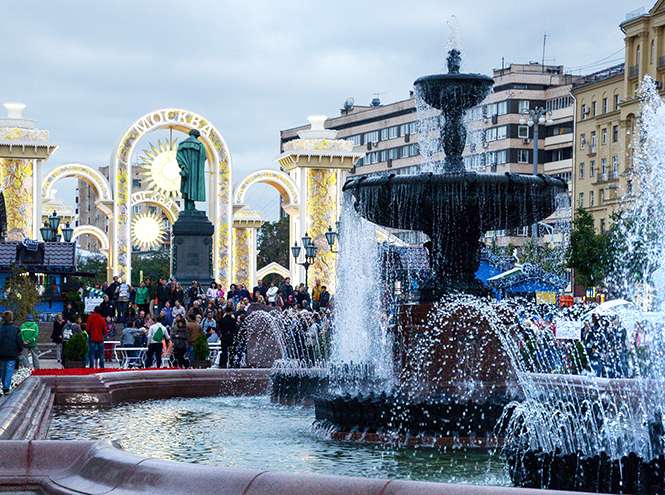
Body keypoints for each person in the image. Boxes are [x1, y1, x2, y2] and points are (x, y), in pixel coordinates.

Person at [0, 311, 22, 395]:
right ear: (12, 318)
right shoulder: (16, 329)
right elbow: (19, 341)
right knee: (9, 369)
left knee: (4, 369)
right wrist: (20, 350)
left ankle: (4, 386)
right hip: (12, 352)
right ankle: (6, 387)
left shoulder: (1, 329)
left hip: (2, 352)